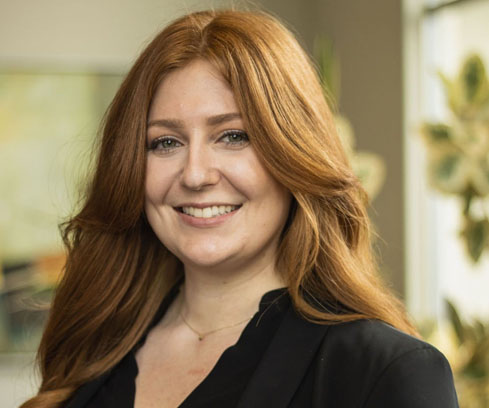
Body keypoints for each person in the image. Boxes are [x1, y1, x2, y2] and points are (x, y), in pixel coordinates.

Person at [21, 9, 459, 408]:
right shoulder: (94, 350)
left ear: (294, 154)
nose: (195, 174)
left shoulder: (384, 372)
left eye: (233, 136)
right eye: (165, 142)